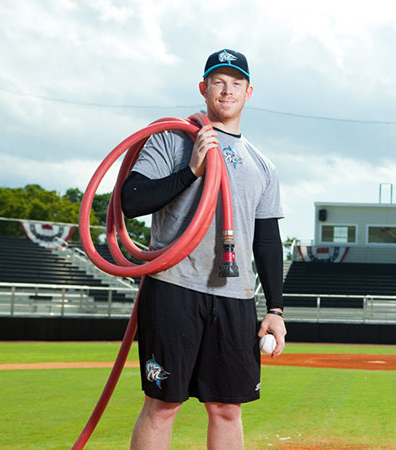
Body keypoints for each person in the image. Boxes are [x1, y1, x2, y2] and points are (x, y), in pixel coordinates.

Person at [121, 49, 286, 449]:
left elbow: (267, 241)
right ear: (204, 87)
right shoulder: (171, 139)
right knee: (163, 405)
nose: (226, 90)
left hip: (234, 296)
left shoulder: (262, 165)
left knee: (228, 408)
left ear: (249, 91)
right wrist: (191, 170)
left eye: (235, 83)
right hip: (174, 286)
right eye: (218, 81)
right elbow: (132, 201)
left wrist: (276, 310)